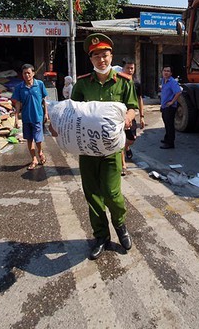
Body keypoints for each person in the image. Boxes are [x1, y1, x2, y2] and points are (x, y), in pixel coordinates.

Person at [70, 33, 138, 260]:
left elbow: (131, 107)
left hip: (111, 149)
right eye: (96, 56)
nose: (102, 60)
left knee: (111, 193)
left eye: (105, 55)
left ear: (111, 57)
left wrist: (128, 117)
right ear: (91, 59)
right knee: (92, 195)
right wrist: (57, 125)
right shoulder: (81, 84)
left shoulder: (123, 82)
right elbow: (73, 113)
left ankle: (120, 225)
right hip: (87, 150)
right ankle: (101, 237)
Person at [12, 64, 49, 170]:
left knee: (38, 140)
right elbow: (18, 103)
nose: (27, 75)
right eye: (24, 73)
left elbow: (44, 100)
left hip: (38, 117)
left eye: (29, 73)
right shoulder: (19, 87)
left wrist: (46, 113)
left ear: (33, 73)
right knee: (29, 139)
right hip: (26, 118)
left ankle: (40, 152)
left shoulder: (40, 84)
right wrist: (16, 118)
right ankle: (34, 159)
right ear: (22, 75)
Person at [121, 59, 145, 175]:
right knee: (120, 139)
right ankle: (123, 165)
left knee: (132, 138)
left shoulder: (136, 83)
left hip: (131, 115)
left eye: (132, 68)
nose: (130, 70)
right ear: (123, 68)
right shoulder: (117, 82)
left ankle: (127, 148)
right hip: (119, 116)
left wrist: (142, 116)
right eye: (128, 68)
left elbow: (140, 99)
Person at [160, 65, 182, 149]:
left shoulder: (172, 82)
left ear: (171, 73)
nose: (166, 72)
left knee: (170, 125)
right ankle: (167, 138)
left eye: (168, 71)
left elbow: (178, 92)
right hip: (164, 106)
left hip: (170, 107)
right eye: (164, 70)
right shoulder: (163, 80)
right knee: (166, 123)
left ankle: (170, 143)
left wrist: (172, 102)